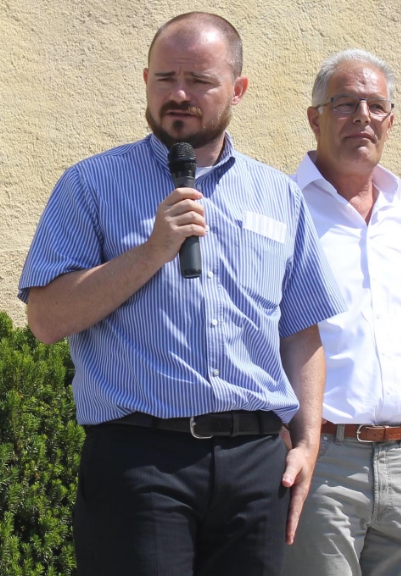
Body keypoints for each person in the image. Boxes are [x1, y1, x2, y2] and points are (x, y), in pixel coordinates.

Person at [18, 12, 344, 576]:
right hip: (141, 462)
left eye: (199, 80)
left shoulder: (278, 196)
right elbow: (46, 320)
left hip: (256, 465)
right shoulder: (90, 185)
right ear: (146, 80)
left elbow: (301, 330)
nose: (180, 94)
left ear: (238, 89)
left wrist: (307, 442)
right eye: (166, 78)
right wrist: (151, 252)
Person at [281, 49, 401, 576]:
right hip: (321, 459)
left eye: (376, 106)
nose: (363, 117)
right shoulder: (282, 205)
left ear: (391, 121)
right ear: (315, 118)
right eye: (345, 104)